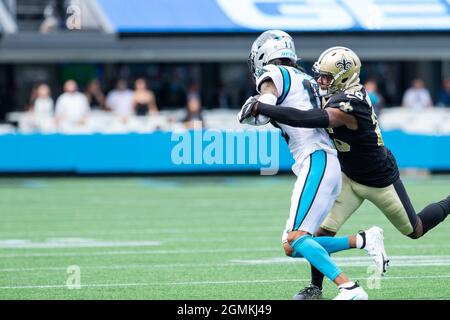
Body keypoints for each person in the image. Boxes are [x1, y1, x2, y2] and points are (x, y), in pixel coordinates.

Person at [239, 46, 450, 299]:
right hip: (346, 175)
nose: (321, 81)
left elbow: (312, 119)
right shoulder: (333, 91)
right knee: (318, 233)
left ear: (343, 78)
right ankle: (315, 287)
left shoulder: (351, 103)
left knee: (415, 229)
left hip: (379, 179)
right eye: (320, 76)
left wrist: (265, 109)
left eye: (326, 77)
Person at [239, 31, 389, 300]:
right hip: (325, 162)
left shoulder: (274, 73)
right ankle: (363, 240)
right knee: (293, 245)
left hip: (315, 159)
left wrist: (256, 105)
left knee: (296, 237)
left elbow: (263, 111)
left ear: (263, 56)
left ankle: (349, 288)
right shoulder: (307, 78)